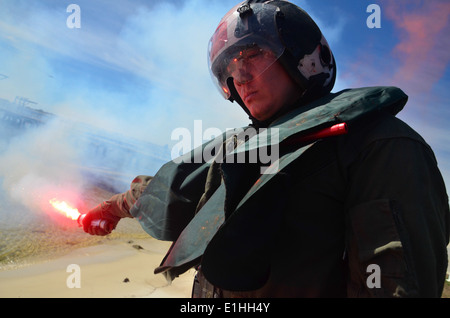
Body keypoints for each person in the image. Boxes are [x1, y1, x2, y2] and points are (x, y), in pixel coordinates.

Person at [81, 0, 450, 297]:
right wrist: (111, 208)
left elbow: (395, 284)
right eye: (229, 67)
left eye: (252, 55)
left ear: (302, 55)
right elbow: (168, 191)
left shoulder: (379, 144)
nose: (238, 77)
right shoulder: (240, 145)